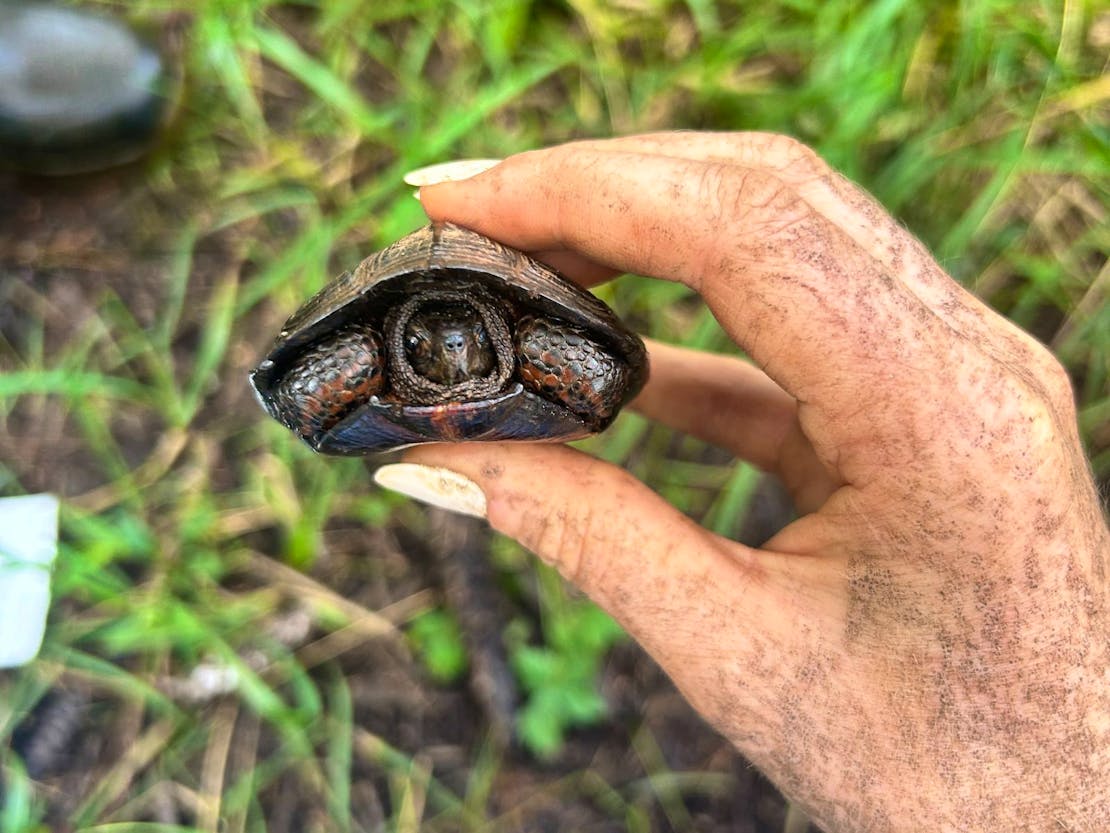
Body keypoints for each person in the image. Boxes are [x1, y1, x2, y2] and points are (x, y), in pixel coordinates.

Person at [373, 132, 1109, 831]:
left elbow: (600, 373)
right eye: (428, 346)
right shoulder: (373, 346)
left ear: (501, 335)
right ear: (393, 342)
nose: (454, 356)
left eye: (469, 338)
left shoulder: (531, 342)